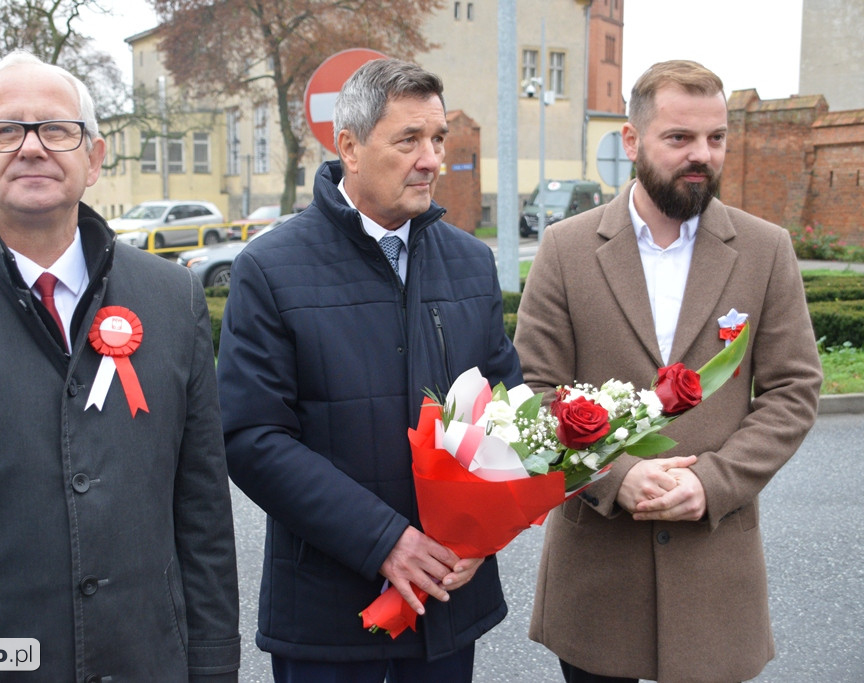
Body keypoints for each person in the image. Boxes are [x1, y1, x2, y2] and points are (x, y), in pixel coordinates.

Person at [0, 51, 240, 682]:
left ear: (94, 158)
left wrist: (214, 669)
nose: (32, 147)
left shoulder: (173, 300)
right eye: (4, 131)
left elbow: (204, 517)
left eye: (57, 129)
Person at [514, 59, 823, 683]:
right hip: (597, 577)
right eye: (680, 137)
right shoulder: (566, 249)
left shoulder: (765, 250)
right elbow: (531, 393)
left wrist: (715, 481)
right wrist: (616, 475)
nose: (701, 154)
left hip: (716, 572)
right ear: (632, 140)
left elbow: (794, 389)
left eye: (716, 137)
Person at [216, 58, 523, 683]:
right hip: (329, 618)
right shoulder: (270, 268)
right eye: (408, 140)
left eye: (438, 138)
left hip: (447, 603)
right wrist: (384, 541)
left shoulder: (471, 262)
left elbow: (506, 404)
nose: (432, 159)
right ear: (350, 148)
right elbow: (252, 438)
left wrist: (483, 534)